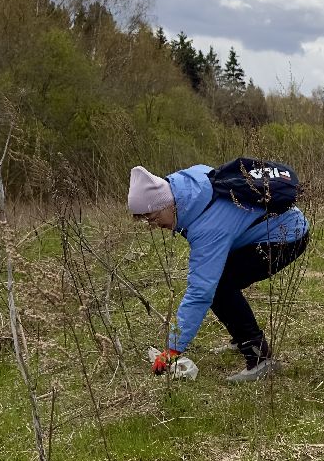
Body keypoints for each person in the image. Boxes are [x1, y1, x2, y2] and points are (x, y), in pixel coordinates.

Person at [128, 163, 310, 382]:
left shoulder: (207, 227)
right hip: (271, 226)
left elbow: (200, 291)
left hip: (285, 236)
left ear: (168, 204)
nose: (154, 224)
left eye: (153, 217)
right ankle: (240, 336)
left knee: (220, 287)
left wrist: (173, 349)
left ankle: (259, 357)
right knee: (220, 282)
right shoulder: (184, 185)